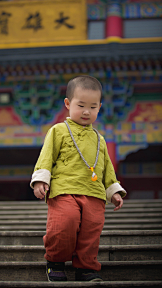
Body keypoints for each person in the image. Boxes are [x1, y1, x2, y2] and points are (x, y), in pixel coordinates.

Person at [30, 75, 126, 282]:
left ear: (99, 107)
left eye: (92, 107)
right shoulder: (58, 131)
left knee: (91, 231)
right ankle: (55, 262)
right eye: (81, 105)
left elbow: (107, 167)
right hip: (64, 189)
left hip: (94, 193)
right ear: (67, 103)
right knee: (65, 224)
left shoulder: (99, 139)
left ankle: (86, 267)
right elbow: (46, 156)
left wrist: (114, 190)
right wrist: (41, 179)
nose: (86, 111)